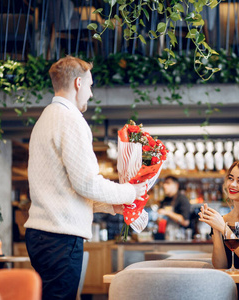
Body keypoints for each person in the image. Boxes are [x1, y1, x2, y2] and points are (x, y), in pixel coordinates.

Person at [24, 56, 147, 300]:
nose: (91, 94)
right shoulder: (71, 120)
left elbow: (68, 187)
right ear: (78, 83)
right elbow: (87, 183)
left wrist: (114, 205)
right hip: (60, 237)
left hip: (43, 235)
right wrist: (131, 192)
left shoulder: (46, 118)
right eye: (90, 86)